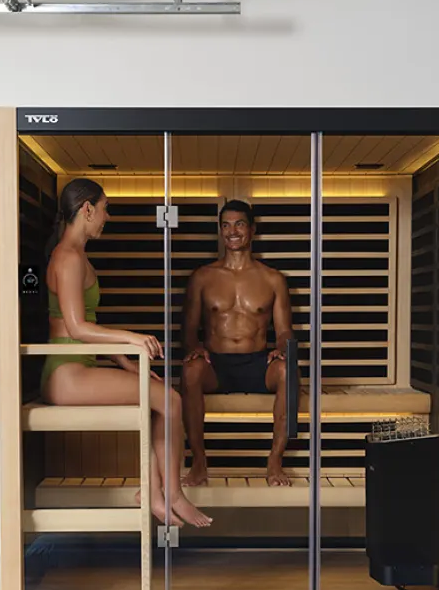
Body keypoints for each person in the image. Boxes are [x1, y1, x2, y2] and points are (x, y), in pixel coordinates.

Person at [42, 178, 212, 529]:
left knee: (159, 398)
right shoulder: (68, 257)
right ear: (87, 209)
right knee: (170, 400)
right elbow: (77, 328)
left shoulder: (75, 255)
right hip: (66, 374)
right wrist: (133, 339)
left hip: (78, 369)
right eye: (105, 209)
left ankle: (152, 492)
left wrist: (126, 363)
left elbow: (87, 325)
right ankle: (173, 494)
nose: (107, 217)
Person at [180, 200, 295, 487]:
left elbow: (285, 331)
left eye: (239, 224)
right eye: (226, 225)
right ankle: (199, 461)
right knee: (190, 371)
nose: (232, 231)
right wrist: (194, 346)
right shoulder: (202, 277)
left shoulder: (273, 279)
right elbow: (188, 329)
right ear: (220, 230)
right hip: (215, 364)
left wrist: (282, 348)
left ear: (252, 229)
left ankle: (275, 460)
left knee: (288, 370)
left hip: (257, 363)